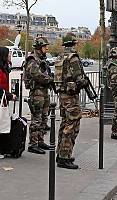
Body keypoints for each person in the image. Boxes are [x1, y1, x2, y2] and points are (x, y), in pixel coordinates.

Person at [54, 32, 86, 169]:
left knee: (64, 123)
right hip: (71, 96)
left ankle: (60, 153)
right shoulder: (73, 58)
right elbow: (79, 78)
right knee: (72, 124)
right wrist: (84, 82)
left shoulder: (60, 57)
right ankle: (64, 156)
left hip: (62, 95)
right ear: (73, 43)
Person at [23, 36, 53, 154]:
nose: (47, 49)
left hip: (44, 92)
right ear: (39, 47)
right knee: (37, 118)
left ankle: (40, 140)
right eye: (45, 47)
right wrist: (50, 79)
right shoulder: (32, 59)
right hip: (36, 92)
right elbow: (37, 75)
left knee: (44, 118)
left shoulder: (41, 59)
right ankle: (33, 144)